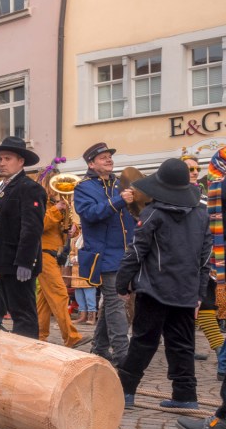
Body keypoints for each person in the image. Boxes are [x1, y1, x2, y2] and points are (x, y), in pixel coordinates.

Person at [116, 158, 211, 411]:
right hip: (186, 291)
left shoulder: (153, 213)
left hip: (153, 289)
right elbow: (205, 259)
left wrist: (123, 282)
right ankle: (185, 395)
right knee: (182, 343)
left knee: (143, 341)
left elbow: (136, 251)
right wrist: (199, 292)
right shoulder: (202, 214)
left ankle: (124, 391)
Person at [75, 142, 136, 366]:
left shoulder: (120, 183)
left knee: (110, 302)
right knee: (116, 302)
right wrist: (120, 200)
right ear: (91, 164)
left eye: (109, 156)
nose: (109, 159)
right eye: (103, 157)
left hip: (126, 253)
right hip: (104, 255)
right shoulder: (83, 187)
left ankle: (99, 348)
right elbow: (90, 214)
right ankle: (122, 354)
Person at [0, 137, 47, 338]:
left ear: (21, 161)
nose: (1, 163)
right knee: (15, 311)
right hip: (4, 262)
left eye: (7, 158)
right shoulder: (5, 188)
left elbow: (31, 228)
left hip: (18, 263)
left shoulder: (29, 188)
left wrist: (25, 261)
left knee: (24, 315)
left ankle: (29, 356)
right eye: (0, 159)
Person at [35, 161, 88, 348]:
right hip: (41, 252)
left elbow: (61, 230)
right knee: (59, 293)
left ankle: (39, 336)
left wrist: (72, 229)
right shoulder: (40, 202)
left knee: (44, 301)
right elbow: (38, 226)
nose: (56, 189)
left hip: (54, 253)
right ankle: (71, 336)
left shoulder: (54, 203)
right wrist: (56, 211)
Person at [188, 152, 226, 381]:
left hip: (214, 255)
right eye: (189, 169)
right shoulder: (195, 194)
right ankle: (221, 353)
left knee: (208, 307)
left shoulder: (207, 191)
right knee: (204, 307)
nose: (194, 172)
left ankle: (221, 356)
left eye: (196, 169)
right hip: (202, 256)